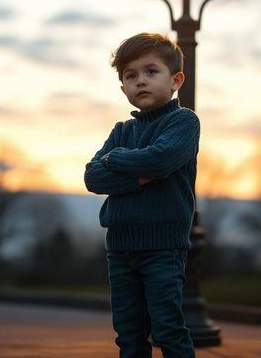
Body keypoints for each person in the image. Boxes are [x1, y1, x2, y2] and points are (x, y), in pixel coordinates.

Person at [84, 33, 198, 358]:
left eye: (151, 72)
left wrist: (116, 160)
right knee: (128, 335)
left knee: (168, 331)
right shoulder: (122, 131)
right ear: (123, 88)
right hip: (120, 249)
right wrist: (141, 176)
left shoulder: (183, 121)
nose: (140, 81)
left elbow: (161, 159)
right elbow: (93, 177)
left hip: (163, 247)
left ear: (176, 80)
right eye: (131, 76)